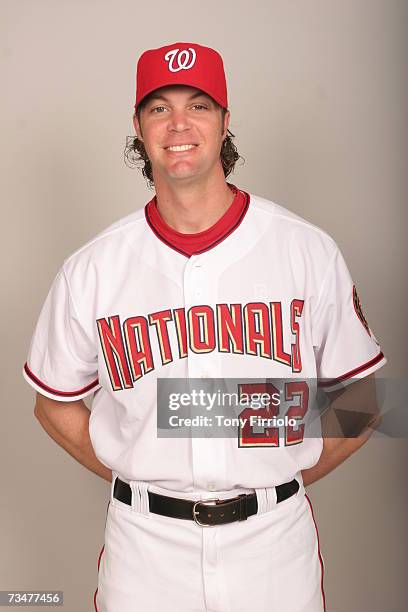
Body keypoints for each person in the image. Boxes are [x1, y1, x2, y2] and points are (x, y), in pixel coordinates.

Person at [22, 42, 387, 612]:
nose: (179, 124)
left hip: (273, 547)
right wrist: (136, 465)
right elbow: (54, 405)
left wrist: (275, 470)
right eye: (159, 108)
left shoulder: (303, 249)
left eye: (199, 105)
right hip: (145, 550)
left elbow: (361, 401)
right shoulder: (94, 267)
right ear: (138, 127)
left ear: (224, 122)